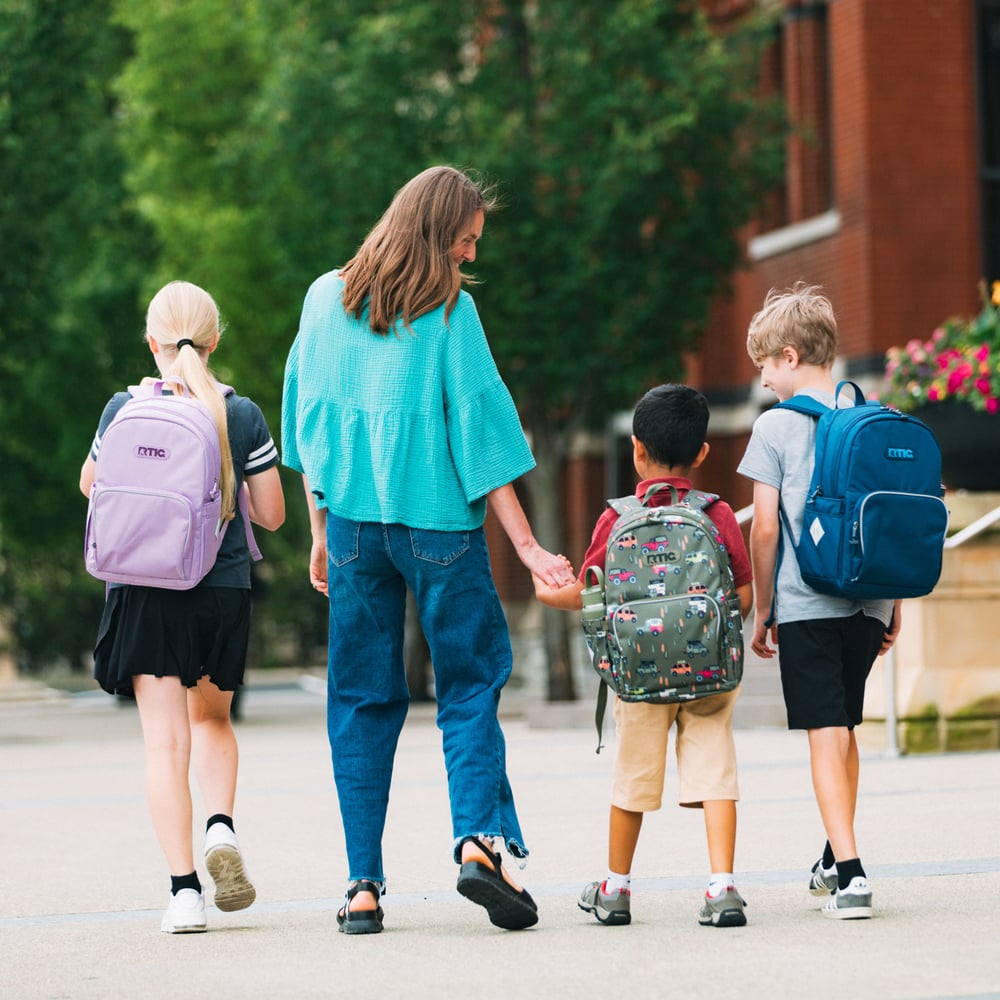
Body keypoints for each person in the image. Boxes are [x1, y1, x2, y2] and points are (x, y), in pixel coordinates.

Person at [281, 165, 576, 935]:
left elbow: (310, 425)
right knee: (470, 685)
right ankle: (479, 843)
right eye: (465, 244)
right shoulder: (449, 313)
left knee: (361, 699)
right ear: (436, 234)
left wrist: (319, 532)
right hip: (440, 530)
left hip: (351, 529)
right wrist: (531, 546)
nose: (470, 260)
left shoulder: (323, 299)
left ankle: (362, 888)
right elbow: (479, 438)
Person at [79, 281, 285, 933]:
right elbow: (274, 516)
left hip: (144, 591)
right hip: (219, 590)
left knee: (163, 745)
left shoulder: (121, 407)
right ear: (215, 339)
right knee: (212, 723)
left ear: (152, 342)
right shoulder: (241, 413)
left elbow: (90, 486)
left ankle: (184, 894)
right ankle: (220, 826)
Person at [533, 384, 753, 928]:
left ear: (636, 449)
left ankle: (615, 888)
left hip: (638, 673)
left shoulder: (616, 518)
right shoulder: (718, 513)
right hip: (709, 672)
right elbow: (742, 594)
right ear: (701, 454)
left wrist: (545, 591)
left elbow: (591, 592)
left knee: (632, 776)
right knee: (714, 770)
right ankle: (722, 887)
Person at [736, 283, 902, 920]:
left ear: (788, 355)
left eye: (765, 367)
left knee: (824, 732)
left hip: (807, 602)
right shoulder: (875, 418)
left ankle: (852, 875)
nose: (763, 380)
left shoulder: (775, 426)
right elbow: (887, 521)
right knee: (845, 728)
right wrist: (895, 606)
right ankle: (835, 855)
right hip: (869, 602)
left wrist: (764, 605)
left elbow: (767, 526)